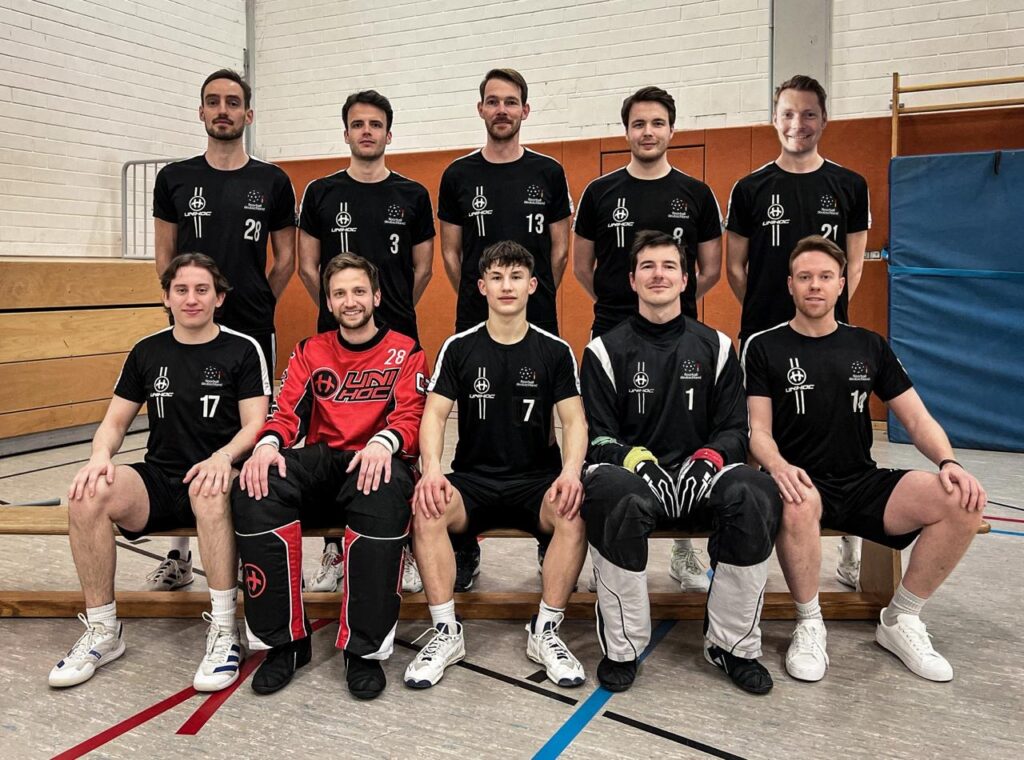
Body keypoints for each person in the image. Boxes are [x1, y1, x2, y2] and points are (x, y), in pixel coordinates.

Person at [743, 235, 985, 683]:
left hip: (861, 479)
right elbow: (758, 431)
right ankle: (809, 621)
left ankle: (901, 619)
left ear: (841, 286)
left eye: (825, 277)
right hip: (802, 484)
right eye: (805, 277)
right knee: (796, 499)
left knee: (962, 500)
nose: (815, 285)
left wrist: (949, 463)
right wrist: (778, 467)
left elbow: (916, 418)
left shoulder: (869, 346)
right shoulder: (763, 347)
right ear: (791, 286)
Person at [49, 254, 270, 691]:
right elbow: (114, 424)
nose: (191, 299)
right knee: (88, 493)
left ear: (219, 298)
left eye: (202, 290)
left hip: (218, 478)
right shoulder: (147, 351)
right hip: (160, 478)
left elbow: (256, 425)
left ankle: (225, 630)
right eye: (182, 290)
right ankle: (103, 631)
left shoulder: (243, 348)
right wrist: (99, 457)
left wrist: (223, 458)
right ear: (166, 297)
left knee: (208, 490)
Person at [579, 230, 781, 695]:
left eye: (669, 266)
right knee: (610, 495)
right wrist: (633, 459)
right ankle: (623, 647)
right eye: (647, 266)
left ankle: (732, 646)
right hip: (636, 480)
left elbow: (735, 427)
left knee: (755, 492)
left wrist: (709, 458)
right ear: (631, 280)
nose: (658, 275)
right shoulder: (603, 351)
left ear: (687, 278)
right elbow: (597, 436)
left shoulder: (718, 346)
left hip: (699, 478)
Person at [231, 254, 427, 700]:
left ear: (376, 296)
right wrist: (266, 446)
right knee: (256, 484)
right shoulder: (310, 351)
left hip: (375, 461)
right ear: (329, 301)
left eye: (359, 291)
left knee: (386, 487)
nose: (350, 301)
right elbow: (286, 414)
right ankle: (285, 643)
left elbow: (412, 416)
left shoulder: (406, 350)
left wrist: (385, 442)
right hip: (324, 463)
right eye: (340, 293)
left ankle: (363, 650)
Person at [403, 241, 588, 690]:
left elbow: (574, 420)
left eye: (517, 277)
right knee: (426, 508)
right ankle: (446, 631)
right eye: (498, 278)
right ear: (482, 286)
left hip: (536, 481)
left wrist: (570, 472)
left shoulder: (555, 350)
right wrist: (431, 468)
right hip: (473, 482)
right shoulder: (459, 347)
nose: (508, 286)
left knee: (574, 513)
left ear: (533, 285)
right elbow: (433, 415)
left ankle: (545, 631)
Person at [573, 85, 724, 592]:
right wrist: (628, 302)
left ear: (671, 130)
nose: (648, 132)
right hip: (614, 328)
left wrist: (667, 303)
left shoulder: (696, 194)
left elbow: (710, 268)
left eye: (657, 123)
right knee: (608, 439)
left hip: (679, 337)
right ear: (627, 131)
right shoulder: (600, 192)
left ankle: (684, 549)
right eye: (639, 124)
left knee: (682, 434)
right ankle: (605, 545)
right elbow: (580, 265)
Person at [152, 68, 297, 587]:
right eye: (213, 102)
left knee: (249, 427)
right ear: (201, 112)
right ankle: (178, 551)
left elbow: (285, 258)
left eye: (233, 102)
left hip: (251, 323)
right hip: (188, 321)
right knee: (182, 422)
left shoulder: (273, 181)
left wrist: (255, 298)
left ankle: (244, 534)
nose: (223, 110)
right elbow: (164, 256)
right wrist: (186, 304)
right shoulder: (174, 178)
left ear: (248, 115)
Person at [726, 75, 871, 587]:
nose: (798, 124)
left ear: (824, 120)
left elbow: (853, 265)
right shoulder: (750, 188)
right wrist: (776, 317)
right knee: (758, 438)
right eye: (788, 113)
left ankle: (853, 538)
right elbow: (736, 268)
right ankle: (746, 548)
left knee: (838, 433)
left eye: (808, 114)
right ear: (774, 119)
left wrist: (819, 314)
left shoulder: (850, 185)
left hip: (828, 335)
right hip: (766, 331)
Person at [437, 67, 573, 588]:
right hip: (479, 317)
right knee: (475, 416)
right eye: (492, 101)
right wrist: (487, 297)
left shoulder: (548, 172)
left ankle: (547, 532)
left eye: (510, 102)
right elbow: (451, 252)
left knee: (542, 421)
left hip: (535, 315)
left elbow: (560, 250)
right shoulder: (458, 175)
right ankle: (465, 544)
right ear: (480, 110)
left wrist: (527, 298)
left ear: (525, 111)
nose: (501, 110)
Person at [297, 89, 434, 595]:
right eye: (358, 124)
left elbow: (423, 268)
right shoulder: (321, 192)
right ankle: (334, 549)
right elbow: (310, 266)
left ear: (389, 133)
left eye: (376, 124)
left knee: (403, 440)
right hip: (337, 339)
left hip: (398, 336)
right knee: (329, 435)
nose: (367, 131)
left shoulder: (414, 195)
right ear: (347, 132)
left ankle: (403, 547)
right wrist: (344, 308)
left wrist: (387, 306)